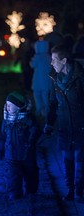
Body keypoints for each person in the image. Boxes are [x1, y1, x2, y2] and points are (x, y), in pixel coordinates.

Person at [44, 44, 84, 201]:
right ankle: (70, 189)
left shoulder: (81, 78)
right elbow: (53, 103)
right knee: (67, 159)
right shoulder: (54, 79)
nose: (52, 63)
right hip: (65, 126)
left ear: (64, 60)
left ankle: (79, 191)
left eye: (54, 60)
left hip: (81, 126)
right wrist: (48, 123)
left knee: (80, 160)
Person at [0, 91, 40, 200]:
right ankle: (14, 192)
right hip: (10, 153)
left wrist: (31, 142)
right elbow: (3, 135)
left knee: (30, 173)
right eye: (6, 105)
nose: (7, 108)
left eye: (10, 105)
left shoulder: (27, 119)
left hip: (26, 153)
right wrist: (1, 146)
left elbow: (35, 130)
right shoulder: (6, 120)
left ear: (18, 107)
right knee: (12, 175)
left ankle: (31, 191)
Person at [30, 40, 53, 120]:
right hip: (46, 81)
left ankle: (39, 109)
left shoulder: (37, 56)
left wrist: (32, 59)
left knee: (37, 95)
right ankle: (46, 111)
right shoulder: (49, 56)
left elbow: (32, 65)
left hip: (38, 80)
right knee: (45, 95)